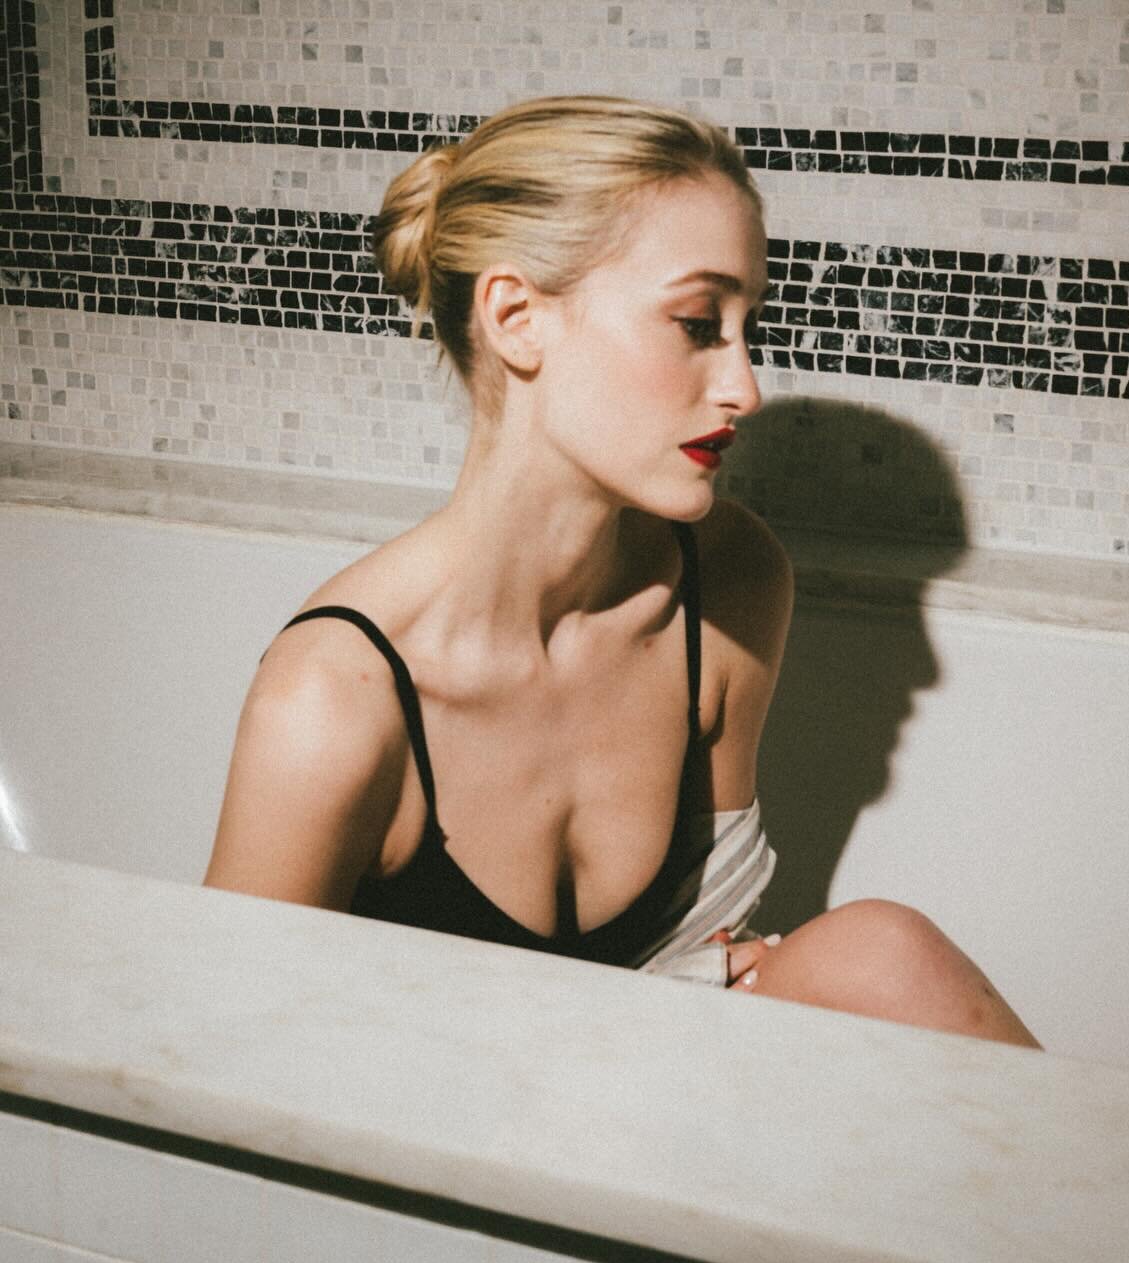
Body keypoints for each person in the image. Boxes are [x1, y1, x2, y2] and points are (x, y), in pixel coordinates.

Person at [204, 95, 1039, 1049]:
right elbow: (224, 1060)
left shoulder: (727, 582)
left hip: (651, 1080)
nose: (745, 387)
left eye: (748, 327)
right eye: (697, 323)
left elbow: (705, 952)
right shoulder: (332, 699)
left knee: (881, 950)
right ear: (517, 318)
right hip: (429, 1109)